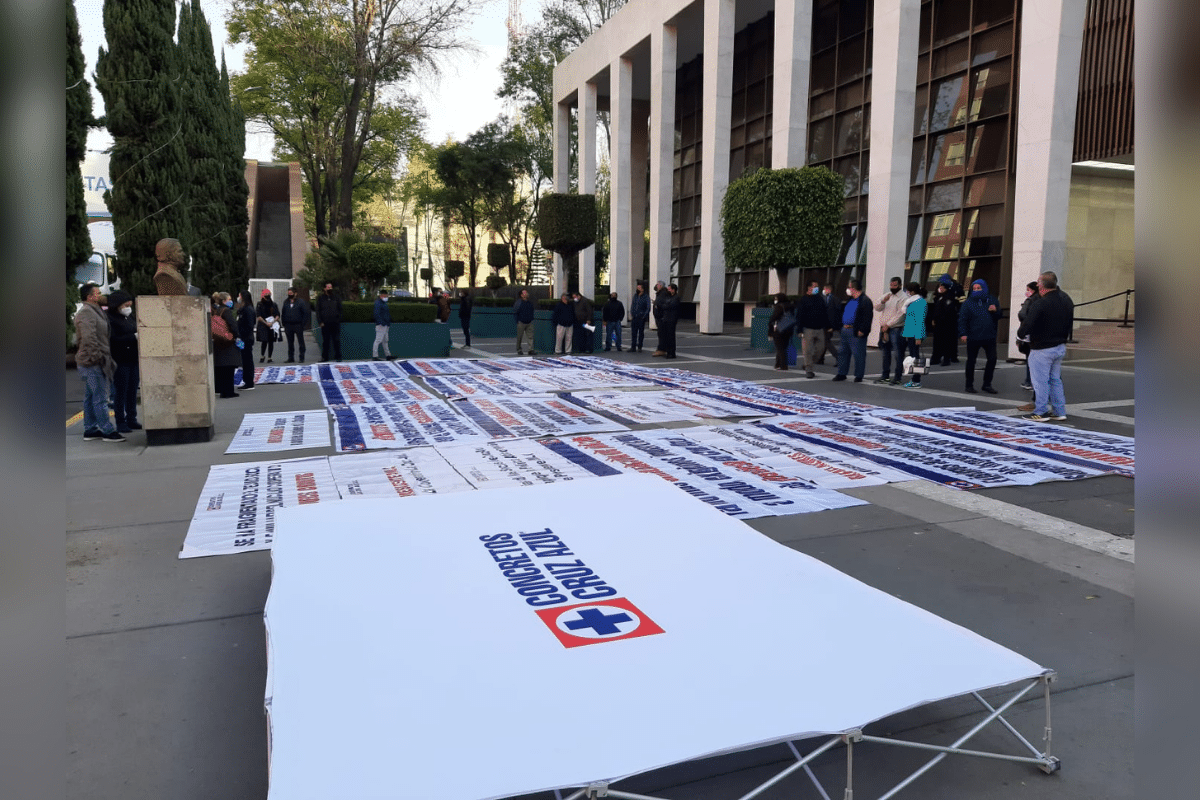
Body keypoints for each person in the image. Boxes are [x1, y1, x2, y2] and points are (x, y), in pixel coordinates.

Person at [1017, 272, 1074, 422]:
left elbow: (1028, 323)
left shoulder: (1041, 302)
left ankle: (1041, 411)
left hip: (1042, 347)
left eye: (1038, 282)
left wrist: (1020, 335)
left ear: (1041, 285)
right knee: (1055, 379)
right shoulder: (1066, 299)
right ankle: (1059, 410)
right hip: (1059, 345)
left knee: (1040, 381)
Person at [75, 283, 125, 442]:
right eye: (98, 293)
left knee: (91, 396)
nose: (101, 295)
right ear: (90, 297)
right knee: (100, 397)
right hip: (92, 362)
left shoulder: (95, 311)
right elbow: (89, 338)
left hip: (96, 359)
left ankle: (90, 429)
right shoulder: (86, 313)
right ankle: (107, 430)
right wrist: (97, 357)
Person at [958, 278, 1002, 394]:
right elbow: (963, 319)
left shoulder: (991, 300)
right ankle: (969, 384)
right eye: (974, 288)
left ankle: (987, 384)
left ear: (984, 288)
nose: (976, 290)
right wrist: (963, 333)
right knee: (971, 361)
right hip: (973, 336)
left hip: (989, 336)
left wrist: (995, 311)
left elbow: (999, 315)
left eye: (979, 288)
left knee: (992, 359)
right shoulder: (968, 302)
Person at [105, 290, 141, 432]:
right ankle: (121, 421)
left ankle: (132, 418)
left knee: (132, 390)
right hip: (120, 360)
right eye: (126, 305)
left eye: (130, 305)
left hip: (133, 359)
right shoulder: (111, 319)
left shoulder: (128, 317)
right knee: (121, 392)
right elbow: (113, 339)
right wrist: (133, 337)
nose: (128, 307)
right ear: (118, 304)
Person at [832, 279, 873, 382]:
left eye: (849, 287)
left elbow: (867, 317)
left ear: (854, 288)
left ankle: (859, 375)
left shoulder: (865, 300)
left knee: (858, 354)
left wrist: (863, 330)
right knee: (842, 352)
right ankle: (841, 373)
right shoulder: (850, 300)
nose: (848, 289)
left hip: (855, 330)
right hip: (845, 329)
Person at [873, 276, 907, 385]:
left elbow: (901, 315)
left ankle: (897, 377)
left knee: (898, 353)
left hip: (896, 329)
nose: (892, 287)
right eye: (891, 285)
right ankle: (885, 375)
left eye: (895, 285)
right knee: (885, 352)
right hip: (884, 329)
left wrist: (888, 324)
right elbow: (877, 307)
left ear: (900, 285)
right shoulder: (887, 295)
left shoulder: (903, 297)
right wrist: (883, 301)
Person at [211, 292, 242, 398]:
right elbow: (232, 324)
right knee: (229, 368)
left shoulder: (217, 310)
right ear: (224, 301)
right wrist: (237, 335)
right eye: (229, 299)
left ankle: (223, 390)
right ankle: (229, 391)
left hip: (219, 341)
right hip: (228, 341)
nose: (231, 301)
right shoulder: (227, 311)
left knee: (222, 369)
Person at [798, 280, 830, 378]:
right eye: (815, 286)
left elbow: (825, 313)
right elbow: (800, 315)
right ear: (809, 287)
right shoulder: (804, 299)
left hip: (820, 328)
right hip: (808, 329)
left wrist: (828, 326)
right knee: (807, 350)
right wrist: (799, 329)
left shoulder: (820, 299)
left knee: (820, 349)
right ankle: (809, 369)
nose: (817, 288)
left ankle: (808, 362)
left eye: (817, 286)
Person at [901, 282, 928, 388]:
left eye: (908, 291)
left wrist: (918, 336)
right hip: (910, 332)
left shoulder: (920, 303)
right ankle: (914, 379)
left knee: (915, 358)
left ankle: (916, 380)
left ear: (911, 292)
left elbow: (920, 320)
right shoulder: (912, 302)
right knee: (913, 357)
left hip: (915, 334)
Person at [929, 274, 961, 366]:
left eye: (942, 287)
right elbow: (936, 310)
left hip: (947, 323)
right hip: (938, 323)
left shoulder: (949, 298)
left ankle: (947, 359)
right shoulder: (939, 297)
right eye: (940, 286)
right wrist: (934, 319)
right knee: (937, 342)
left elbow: (948, 311)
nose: (940, 288)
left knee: (947, 341)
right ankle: (936, 357)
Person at [1016, 281, 1039, 393]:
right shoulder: (1041, 300)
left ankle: (1029, 381)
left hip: (1029, 335)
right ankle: (1032, 381)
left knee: (1029, 359)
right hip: (1039, 335)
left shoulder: (1029, 301)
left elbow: (1022, 315)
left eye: (1028, 290)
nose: (1026, 292)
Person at [280, 287, 310, 363]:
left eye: (291, 293)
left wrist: (303, 324)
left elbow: (305, 313)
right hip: (288, 325)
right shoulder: (286, 302)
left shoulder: (301, 302)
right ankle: (291, 357)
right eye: (288, 293)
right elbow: (283, 313)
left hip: (298, 325)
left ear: (295, 293)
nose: (289, 294)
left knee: (301, 342)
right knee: (290, 342)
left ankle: (301, 357)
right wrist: (284, 323)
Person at [767, 292, 795, 371]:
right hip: (788, 329)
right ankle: (778, 364)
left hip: (779, 329)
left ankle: (783, 365)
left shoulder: (779, 307)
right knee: (784, 347)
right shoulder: (790, 306)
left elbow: (773, 319)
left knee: (779, 348)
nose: (775, 300)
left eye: (776, 299)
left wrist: (770, 331)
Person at [235, 291, 257, 391]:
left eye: (240, 296)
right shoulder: (242, 309)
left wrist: (241, 335)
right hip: (242, 338)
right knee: (243, 360)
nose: (238, 298)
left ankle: (249, 382)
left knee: (247, 360)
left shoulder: (248, 309)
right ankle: (246, 380)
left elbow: (249, 325)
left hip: (246, 339)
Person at [316, 282, 343, 361]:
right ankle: (325, 357)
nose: (330, 288)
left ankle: (338, 357)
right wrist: (320, 321)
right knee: (326, 341)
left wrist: (338, 319)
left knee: (336, 340)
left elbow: (340, 309)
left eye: (331, 287)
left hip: (335, 323)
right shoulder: (320, 298)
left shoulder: (336, 297)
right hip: (325, 324)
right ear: (324, 289)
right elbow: (318, 311)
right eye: (328, 287)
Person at [255, 289, 280, 363]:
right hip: (263, 324)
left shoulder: (273, 304)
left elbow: (277, 315)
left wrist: (272, 322)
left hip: (272, 324)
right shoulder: (259, 304)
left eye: (268, 294)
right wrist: (266, 323)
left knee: (271, 341)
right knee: (264, 340)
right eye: (266, 295)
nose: (267, 296)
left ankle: (270, 357)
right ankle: (262, 355)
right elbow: (258, 316)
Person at [658, 283, 681, 358]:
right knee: (666, 336)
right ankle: (668, 351)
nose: (668, 290)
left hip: (671, 319)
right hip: (666, 319)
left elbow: (669, 306)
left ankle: (672, 352)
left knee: (671, 336)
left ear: (673, 290)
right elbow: (664, 305)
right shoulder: (669, 297)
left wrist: (664, 306)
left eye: (669, 289)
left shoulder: (676, 298)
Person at [512, 288, 536, 355]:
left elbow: (532, 310)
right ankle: (519, 349)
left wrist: (531, 318)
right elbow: (515, 312)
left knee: (530, 336)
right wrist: (518, 321)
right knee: (520, 337)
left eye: (527, 292)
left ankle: (531, 349)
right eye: (525, 293)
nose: (527, 294)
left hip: (529, 322)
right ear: (521, 295)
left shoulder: (529, 303)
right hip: (521, 322)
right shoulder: (518, 303)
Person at [628, 283, 651, 352]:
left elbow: (648, 307)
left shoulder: (646, 297)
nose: (637, 289)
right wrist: (632, 313)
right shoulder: (635, 296)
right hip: (635, 317)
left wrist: (644, 316)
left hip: (641, 317)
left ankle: (640, 346)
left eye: (639, 288)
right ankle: (633, 346)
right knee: (633, 332)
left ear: (642, 289)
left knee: (641, 333)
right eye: (637, 288)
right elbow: (633, 305)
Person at [372, 288, 393, 360]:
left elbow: (386, 313)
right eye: (385, 296)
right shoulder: (378, 303)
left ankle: (388, 355)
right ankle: (375, 356)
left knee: (385, 341)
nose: (386, 297)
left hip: (385, 324)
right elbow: (376, 314)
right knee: (378, 340)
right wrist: (381, 322)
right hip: (381, 324)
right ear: (381, 295)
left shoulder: (383, 303)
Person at [821, 283, 839, 362]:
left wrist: (833, 326)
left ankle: (838, 357)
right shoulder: (822, 298)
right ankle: (820, 358)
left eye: (825, 289)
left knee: (826, 341)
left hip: (830, 324)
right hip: (823, 324)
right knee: (824, 341)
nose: (824, 290)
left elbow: (836, 314)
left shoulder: (835, 299)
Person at [651, 280, 669, 355]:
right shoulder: (659, 293)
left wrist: (656, 303)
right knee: (660, 333)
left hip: (661, 317)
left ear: (661, 286)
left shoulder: (663, 293)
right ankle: (661, 348)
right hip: (658, 317)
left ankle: (661, 349)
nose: (656, 286)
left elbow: (662, 304)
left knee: (662, 334)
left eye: (658, 285)